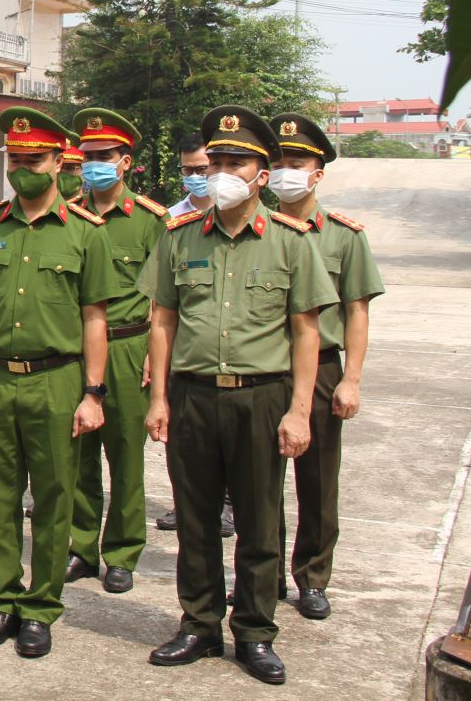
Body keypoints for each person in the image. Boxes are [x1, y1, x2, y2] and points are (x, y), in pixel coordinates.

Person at [141, 105, 336, 686]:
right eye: (215, 161)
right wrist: (159, 399)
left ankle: (254, 631)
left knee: (258, 521)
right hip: (194, 395)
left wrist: (300, 411)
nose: (221, 172)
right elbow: (163, 321)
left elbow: (306, 332)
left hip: (262, 397)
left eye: (236, 163)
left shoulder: (291, 241)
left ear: (262, 172)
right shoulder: (179, 239)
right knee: (196, 519)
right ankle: (199, 624)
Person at [0, 108, 113, 659]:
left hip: (57, 381)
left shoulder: (85, 234)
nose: (23, 169)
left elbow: (95, 316)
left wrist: (93, 392)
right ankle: (1, 600)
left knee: (52, 498)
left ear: (60, 162)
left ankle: (41, 606)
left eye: (33, 160)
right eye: (14, 160)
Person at [268, 112, 384, 621]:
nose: (283, 172)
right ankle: (263, 574)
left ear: (317, 173)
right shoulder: (254, 231)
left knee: (316, 479)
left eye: (295, 163)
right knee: (259, 481)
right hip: (265, 369)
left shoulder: (342, 236)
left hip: (321, 367)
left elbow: (357, 311)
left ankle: (312, 577)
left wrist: (352, 380)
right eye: (276, 163)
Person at [63, 109, 166, 595]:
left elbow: (166, 295)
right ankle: (81, 546)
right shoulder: (69, 215)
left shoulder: (150, 221)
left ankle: (122, 551)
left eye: (104, 156)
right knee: (77, 451)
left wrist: (155, 353)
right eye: (87, 157)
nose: (92, 164)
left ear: (125, 162)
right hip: (76, 347)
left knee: (125, 454)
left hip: (128, 345)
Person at [155, 131, 232, 537]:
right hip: (184, 347)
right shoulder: (171, 220)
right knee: (180, 438)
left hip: (230, 345)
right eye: (190, 170)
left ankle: (228, 505)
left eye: (204, 169)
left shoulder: (240, 213)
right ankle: (182, 501)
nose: (198, 177)